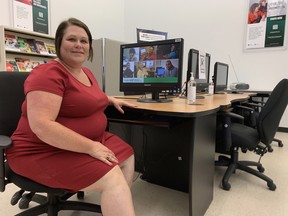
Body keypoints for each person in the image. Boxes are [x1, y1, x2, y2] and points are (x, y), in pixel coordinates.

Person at [6, 18, 136, 216]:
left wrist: (109, 99)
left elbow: (86, 97)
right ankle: (114, 194)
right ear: (59, 43)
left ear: (89, 46)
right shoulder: (48, 74)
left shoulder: (85, 72)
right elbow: (42, 126)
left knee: (126, 154)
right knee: (112, 177)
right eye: (71, 39)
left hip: (84, 141)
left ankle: (116, 204)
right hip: (40, 150)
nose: (78, 45)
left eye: (84, 41)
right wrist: (91, 147)